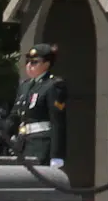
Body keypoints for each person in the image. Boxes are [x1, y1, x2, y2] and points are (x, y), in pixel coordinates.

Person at [12, 43, 69, 173]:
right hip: (23, 144)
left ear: (46, 64)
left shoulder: (54, 85)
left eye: (34, 62)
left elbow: (57, 122)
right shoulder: (25, 86)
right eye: (27, 62)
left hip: (42, 145)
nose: (29, 66)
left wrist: (56, 155)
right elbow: (14, 117)